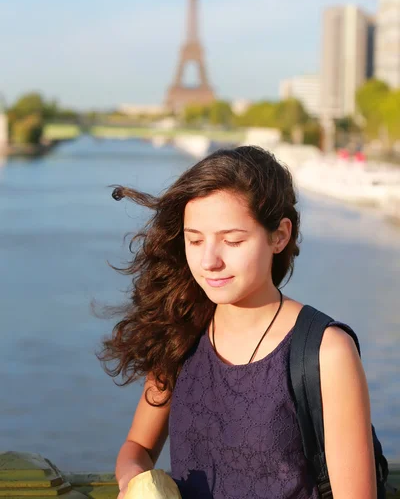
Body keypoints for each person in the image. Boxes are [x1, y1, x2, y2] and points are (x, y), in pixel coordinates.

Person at [97, 145, 377, 499]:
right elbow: (137, 446)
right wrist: (136, 481)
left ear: (279, 235)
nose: (209, 260)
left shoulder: (325, 351)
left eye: (232, 240)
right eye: (194, 240)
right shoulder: (181, 332)